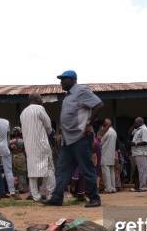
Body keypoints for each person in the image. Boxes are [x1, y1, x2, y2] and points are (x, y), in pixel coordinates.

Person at [43, 70, 103, 208]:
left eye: (64, 79)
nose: (61, 82)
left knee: (87, 168)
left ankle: (94, 198)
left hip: (81, 138)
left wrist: (89, 124)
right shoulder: (67, 96)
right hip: (67, 140)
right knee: (62, 169)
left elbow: (99, 104)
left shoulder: (81, 91)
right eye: (61, 79)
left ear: (72, 79)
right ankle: (57, 198)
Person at [20, 93, 55, 202]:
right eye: (40, 97)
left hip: (29, 146)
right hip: (41, 144)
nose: (41, 99)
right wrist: (50, 133)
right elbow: (48, 126)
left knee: (32, 171)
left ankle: (36, 196)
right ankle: (49, 194)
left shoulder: (23, 112)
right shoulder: (40, 108)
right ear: (35, 99)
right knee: (49, 168)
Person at [129, 117, 147, 192]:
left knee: (142, 171)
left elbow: (146, 142)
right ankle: (139, 186)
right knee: (139, 171)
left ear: (140, 122)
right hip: (137, 152)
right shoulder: (138, 129)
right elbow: (129, 133)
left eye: (136, 122)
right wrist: (133, 125)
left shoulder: (144, 129)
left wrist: (134, 143)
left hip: (142, 152)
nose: (135, 124)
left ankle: (143, 187)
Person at [99, 118, 117, 193]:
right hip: (111, 154)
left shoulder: (107, 132)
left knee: (106, 173)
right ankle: (113, 188)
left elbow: (99, 142)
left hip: (105, 154)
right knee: (111, 172)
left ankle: (108, 188)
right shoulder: (114, 132)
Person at [9, 127, 28, 193]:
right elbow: (24, 150)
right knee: (22, 173)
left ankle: (15, 188)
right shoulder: (22, 141)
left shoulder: (11, 141)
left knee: (15, 173)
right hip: (21, 156)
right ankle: (22, 188)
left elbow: (10, 150)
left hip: (13, 157)